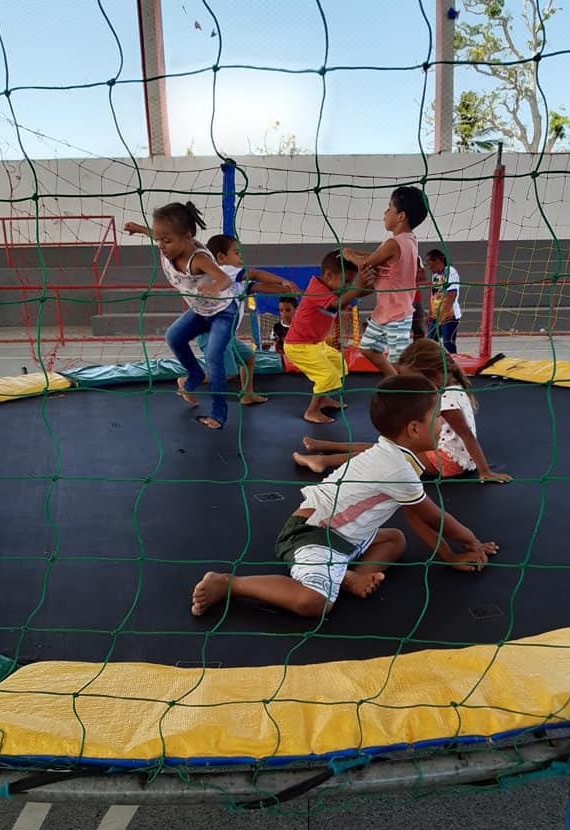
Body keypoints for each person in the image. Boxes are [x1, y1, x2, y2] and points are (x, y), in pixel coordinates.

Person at [190, 374, 499, 618]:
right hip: (313, 536)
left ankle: (351, 577)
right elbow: (434, 517)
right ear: (414, 429)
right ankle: (230, 584)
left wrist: (449, 555)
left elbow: (416, 515)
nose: (443, 423)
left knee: (395, 540)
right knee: (314, 603)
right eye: (437, 417)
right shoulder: (397, 468)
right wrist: (471, 542)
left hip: (346, 538)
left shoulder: (397, 455)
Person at [295, 339, 511, 483]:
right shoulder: (451, 387)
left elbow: (467, 435)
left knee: (382, 455)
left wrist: (484, 472)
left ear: (432, 373)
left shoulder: (447, 401)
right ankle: (326, 446)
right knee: (385, 446)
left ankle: (323, 461)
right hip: (440, 452)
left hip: (447, 461)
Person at [123, 203, 241, 430]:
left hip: (223, 312)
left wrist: (215, 287)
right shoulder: (168, 245)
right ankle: (194, 374)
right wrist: (138, 228)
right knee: (174, 337)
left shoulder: (199, 259)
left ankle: (218, 414)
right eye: (159, 240)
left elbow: (225, 279)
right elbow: (156, 234)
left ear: (187, 236)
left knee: (214, 357)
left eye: (166, 240)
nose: (161, 245)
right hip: (200, 311)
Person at [343, 186, 429, 378]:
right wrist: (354, 253)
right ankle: (394, 380)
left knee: (400, 361)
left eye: (389, 208)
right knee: (368, 348)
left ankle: (414, 388)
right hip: (385, 310)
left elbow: (366, 263)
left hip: (397, 313)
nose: (385, 212)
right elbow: (376, 257)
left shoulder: (393, 244)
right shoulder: (409, 240)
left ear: (401, 216)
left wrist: (348, 254)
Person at [283, 249, 373, 424]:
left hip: (316, 344)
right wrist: (358, 285)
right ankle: (311, 411)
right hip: (298, 346)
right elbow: (339, 302)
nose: (348, 286)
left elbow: (355, 293)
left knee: (339, 364)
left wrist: (374, 285)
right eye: (347, 282)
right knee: (327, 375)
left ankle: (323, 398)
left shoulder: (332, 288)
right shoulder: (317, 290)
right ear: (329, 276)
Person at [205, 234, 298, 404]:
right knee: (226, 373)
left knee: (248, 357)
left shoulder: (236, 281)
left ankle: (247, 394)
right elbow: (255, 274)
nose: (240, 257)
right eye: (236, 253)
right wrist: (283, 281)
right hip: (213, 333)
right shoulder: (224, 270)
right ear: (221, 257)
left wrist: (287, 291)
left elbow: (258, 286)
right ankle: (188, 381)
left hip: (225, 334)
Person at [425, 248, 462, 354]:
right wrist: (430, 313)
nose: (428, 267)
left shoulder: (450, 272)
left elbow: (452, 295)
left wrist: (442, 315)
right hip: (435, 317)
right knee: (429, 343)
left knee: (448, 344)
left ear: (437, 260)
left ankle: (452, 362)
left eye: (429, 263)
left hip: (449, 317)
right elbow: (433, 294)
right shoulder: (435, 275)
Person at [411, 255, 428, 340]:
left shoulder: (416, 257)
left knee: (419, 329)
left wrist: (418, 270)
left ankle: (418, 346)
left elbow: (423, 277)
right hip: (401, 299)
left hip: (416, 298)